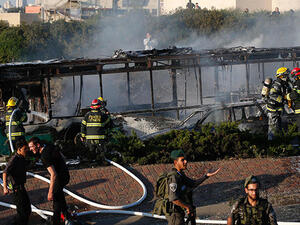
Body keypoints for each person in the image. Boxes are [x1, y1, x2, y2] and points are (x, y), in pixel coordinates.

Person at [166, 149, 220, 225]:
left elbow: (193, 184)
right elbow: (173, 198)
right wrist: (187, 207)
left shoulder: (180, 175)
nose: (185, 162)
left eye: (185, 159)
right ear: (175, 162)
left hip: (180, 212)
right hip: (175, 214)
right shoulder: (173, 177)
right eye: (182, 160)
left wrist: (206, 176)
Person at [28, 137, 71, 225]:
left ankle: (56, 221)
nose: (30, 149)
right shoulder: (49, 146)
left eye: (32, 147)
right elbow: (62, 156)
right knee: (60, 196)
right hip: (65, 174)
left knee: (56, 200)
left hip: (59, 177)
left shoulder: (44, 156)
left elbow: (53, 174)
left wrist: (50, 192)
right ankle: (67, 216)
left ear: (38, 145)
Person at [2, 139, 31, 225]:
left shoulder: (22, 158)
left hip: (22, 188)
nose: (27, 150)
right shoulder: (14, 159)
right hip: (16, 190)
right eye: (25, 149)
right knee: (22, 213)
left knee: (27, 210)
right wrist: (5, 187)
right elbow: (5, 172)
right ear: (19, 149)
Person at [266, 67, 290, 140]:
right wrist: (283, 99)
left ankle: (278, 142)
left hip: (278, 110)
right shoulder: (276, 84)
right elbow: (272, 94)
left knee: (278, 128)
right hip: (273, 110)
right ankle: (272, 144)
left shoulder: (284, 84)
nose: (287, 77)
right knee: (272, 128)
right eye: (286, 75)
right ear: (282, 76)